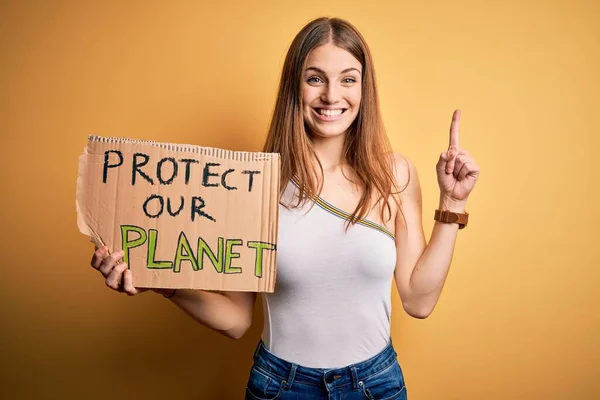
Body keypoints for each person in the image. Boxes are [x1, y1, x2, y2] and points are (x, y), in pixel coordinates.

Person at [90, 17, 480, 400]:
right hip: (282, 387)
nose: (331, 95)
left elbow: (418, 300)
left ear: (364, 89)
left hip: (375, 385)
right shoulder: (254, 183)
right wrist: (161, 282)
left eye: (348, 79)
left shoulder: (394, 174)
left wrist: (453, 202)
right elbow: (236, 319)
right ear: (295, 86)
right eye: (315, 78)